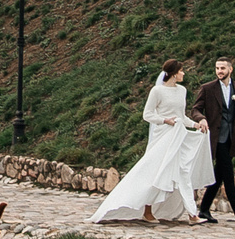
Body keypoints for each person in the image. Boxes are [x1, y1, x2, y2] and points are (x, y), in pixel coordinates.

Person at [88, 60, 216, 224]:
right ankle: (147, 211)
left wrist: (194, 124)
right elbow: (147, 115)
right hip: (163, 136)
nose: (184, 73)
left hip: (178, 136)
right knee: (154, 173)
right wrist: (165, 120)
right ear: (175, 73)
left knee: (183, 172)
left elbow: (181, 116)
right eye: (182, 71)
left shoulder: (182, 91)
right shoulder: (157, 91)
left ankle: (192, 214)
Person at [195, 57, 235, 224]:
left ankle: (204, 209)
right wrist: (201, 118)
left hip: (232, 137)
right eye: (217, 68)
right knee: (228, 174)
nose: (219, 71)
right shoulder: (208, 88)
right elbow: (196, 109)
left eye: (222, 68)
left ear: (230, 69)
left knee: (219, 174)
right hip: (217, 138)